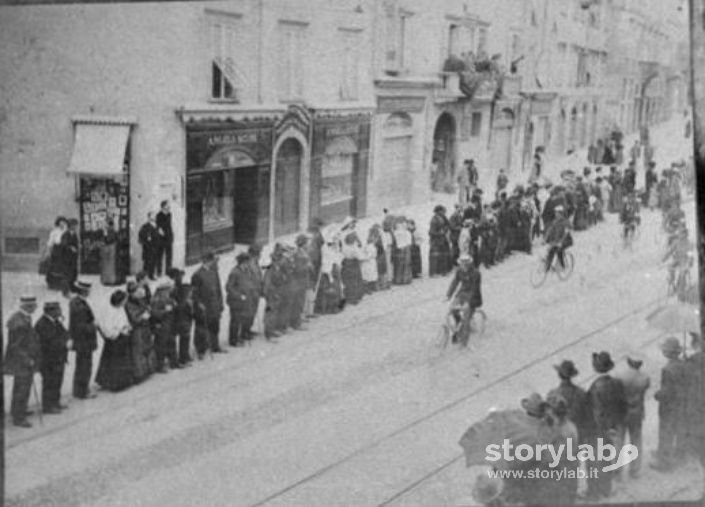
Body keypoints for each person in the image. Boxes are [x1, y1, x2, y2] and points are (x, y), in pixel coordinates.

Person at [585, 351, 627, 500]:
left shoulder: (595, 387)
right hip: (615, 425)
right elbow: (623, 405)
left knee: (596, 461)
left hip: (600, 428)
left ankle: (595, 492)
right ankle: (606, 489)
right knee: (607, 458)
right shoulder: (617, 383)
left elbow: (595, 411)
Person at [4, 296, 41, 427]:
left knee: (23, 387)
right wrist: (27, 359)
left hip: (24, 360)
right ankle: (19, 417)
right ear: (28, 306)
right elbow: (16, 346)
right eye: (34, 305)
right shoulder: (19, 322)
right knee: (22, 388)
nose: (36, 307)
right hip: (21, 361)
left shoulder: (23, 317)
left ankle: (20, 410)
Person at [651, 337, 688, 471]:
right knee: (680, 430)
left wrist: (657, 395)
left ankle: (664, 462)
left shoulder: (668, 369)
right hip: (682, 403)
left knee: (666, 433)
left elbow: (666, 391)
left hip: (669, 406)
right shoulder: (684, 365)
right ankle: (680, 456)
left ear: (667, 353)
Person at [614, 357, 650, 478]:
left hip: (622, 412)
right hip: (637, 411)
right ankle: (635, 470)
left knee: (619, 440)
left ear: (628, 362)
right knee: (636, 440)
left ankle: (617, 469)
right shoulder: (645, 378)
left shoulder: (620, 376)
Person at [35, 301, 70, 414]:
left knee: (57, 381)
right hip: (48, 360)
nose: (60, 311)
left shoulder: (55, 321)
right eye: (58, 309)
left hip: (58, 358)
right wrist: (64, 343)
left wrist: (67, 339)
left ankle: (55, 402)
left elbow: (65, 333)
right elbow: (49, 342)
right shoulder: (42, 324)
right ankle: (48, 406)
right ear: (51, 311)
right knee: (49, 383)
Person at [95, 290, 134, 391]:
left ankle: (123, 381)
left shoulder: (121, 309)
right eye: (124, 300)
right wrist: (120, 331)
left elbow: (125, 321)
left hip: (122, 337)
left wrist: (127, 327)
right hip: (115, 339)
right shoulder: (110, 311)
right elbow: (108, 328)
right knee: (114, 362)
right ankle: (114, 383)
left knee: (121, 360)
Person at [547, 360, 592, 444]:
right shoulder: (581, 393)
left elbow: (549, 422)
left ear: (559, 375)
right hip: (579, 436)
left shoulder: (553, 396)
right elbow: (588, 417)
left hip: (561, 439)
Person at [191, 250, 226, 355]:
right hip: (204, 305)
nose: (211, 263)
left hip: (214, 304)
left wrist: (220, 302)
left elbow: (218, 288)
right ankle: (200, 349)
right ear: (204, 261)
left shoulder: (214, 272)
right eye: (209, 260)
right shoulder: (197, 275)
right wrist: (198, 303)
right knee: (201, 328)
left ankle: (215, 345)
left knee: (215, 326)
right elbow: (194, 293)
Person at [69, 281, 98, 399]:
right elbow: (81, 326)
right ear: (85, 291)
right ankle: (82, 391)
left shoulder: (76, 302)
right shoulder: (79, 306)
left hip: (81, 341)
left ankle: (80, 389)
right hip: (84, 341)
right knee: (84, 366)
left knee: (82, 365)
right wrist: (93, 326)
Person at [445, 254, 482, 347]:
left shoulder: (476, 273)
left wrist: (468, 303)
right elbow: (455, 282)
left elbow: (474, 289)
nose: (464, 266)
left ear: (470, 264)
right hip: (462, 294)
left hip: (473, 297)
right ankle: (458, 325)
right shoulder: (459, 271)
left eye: (466, 264)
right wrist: (448, 295)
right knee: (452, 310)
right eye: (462, 264)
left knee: (466, 318)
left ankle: (464, 343)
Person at [683, 332, 705, 467]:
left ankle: (697, 454)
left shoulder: (692, 361)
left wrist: (686, 361)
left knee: (695, 426)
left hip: (696, 398)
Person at [125, 280, 154, 380]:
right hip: (137, 330)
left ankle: (147, 369)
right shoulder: (129, 304)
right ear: (132, 293)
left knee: (147, 347)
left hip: (145, 328)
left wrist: (148, 310)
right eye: (136, 291)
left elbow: (146, 306)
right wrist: (143, 316)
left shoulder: (139, 299)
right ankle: (139, 374)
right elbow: (134, 318)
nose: (139, 293)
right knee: (138, 351)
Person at [227, 252, 256, 347]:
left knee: (243, 318)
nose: (248, 264)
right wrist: (239, 296)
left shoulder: (246, 271)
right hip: (236, 301)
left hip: (245, 300)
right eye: (247, 262)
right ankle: (233, 340)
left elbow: (248, 282)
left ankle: (241, 336)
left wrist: (252, 290)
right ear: (242, 262)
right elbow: (229, 287)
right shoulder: (234, 272)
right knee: (235, 320)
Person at [151, 279, 178, 371]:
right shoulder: (156, 300)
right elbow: (154, 313)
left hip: (169, 325)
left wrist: (174, 305)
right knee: (161, 347)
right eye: (167, 290)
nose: (168, 292)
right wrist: (165, 311)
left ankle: (174, 362)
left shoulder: (169, 299)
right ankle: (160, 365)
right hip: (161, 326)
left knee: (172, 343)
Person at [168, 268, 194, 366]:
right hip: (178, 315)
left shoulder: (181, 287)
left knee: (185, 335)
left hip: (183, 314)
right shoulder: (172, 288)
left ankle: (184, 356)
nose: (181, 278)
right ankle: (181, 358)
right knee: (181, 336)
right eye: (179, 276)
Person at [290, 235, 313, 329]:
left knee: (301, 301)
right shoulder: (298, 254)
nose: (308, 244)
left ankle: (299, 317)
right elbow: (298, 269)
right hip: (298, 282)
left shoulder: (303, 252)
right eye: (307, 242)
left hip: (302, 281)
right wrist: (307, 266)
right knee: (298, 302)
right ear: (303, 243)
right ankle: (296, 323)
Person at [543, 205, 572, 272]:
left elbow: (566, 233)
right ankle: (547, 267)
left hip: (566, 240)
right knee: (551, 251)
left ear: (561, 213)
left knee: (559, 251)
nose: (556, 214)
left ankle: (563, 266)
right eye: (555, 213)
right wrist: (545, 239)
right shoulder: (555, 221)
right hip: (558, 240)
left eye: (557, 213)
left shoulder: (565, 221)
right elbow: (550, 230)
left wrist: (560, 242)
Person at [46, 216, 68, 291]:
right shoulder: (54, 232)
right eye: (61, 223)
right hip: (56, 251)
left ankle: (63, 284)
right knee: (55, 268)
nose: (62, 224)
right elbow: (50, 243)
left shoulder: (66, 231)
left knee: (64, 268)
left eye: (64, 223)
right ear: (58, 223)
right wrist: (48, 251)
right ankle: (53, 284)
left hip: (65, 252)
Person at [428, 205, 451, 276]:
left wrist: (444, 230)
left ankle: (442, 271)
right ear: (438, 212)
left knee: (443, 256)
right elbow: (431, 232)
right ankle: (433, 273)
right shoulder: (434, 220)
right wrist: (439, 233)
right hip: (436, 241)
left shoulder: (442, 217)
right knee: (434, 257)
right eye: (442, 211)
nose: (444, 213)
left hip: (442, 240)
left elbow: (448, 224)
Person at [60, 218, 80, 294]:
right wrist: (70, 248)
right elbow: (63, 245)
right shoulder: (66, 234)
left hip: (73, 258)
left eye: (76, 226)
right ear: (70, 226)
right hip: (67, 258)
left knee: (73, 273)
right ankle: (65, 290)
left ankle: (72, 287)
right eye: (74, 225)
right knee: (67, 274)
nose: (76, 227)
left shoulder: (74, 234)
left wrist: (76, 249)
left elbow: (76, 244)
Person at [138, 212, 159, 280]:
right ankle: (144, 276)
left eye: (154, 216)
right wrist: (146, 240)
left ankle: (151, 275)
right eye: (152, 216)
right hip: (148, 248)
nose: (154, 217)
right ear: (149, 217)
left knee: (154, 262)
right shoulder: (145, 226)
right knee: (147, 263)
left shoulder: (156, 226)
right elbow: (140, 236)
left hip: (155, 247)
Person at [156, 200, 173, 277]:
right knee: (160, 256)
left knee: (169, 255)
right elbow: (158, 227)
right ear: (163, 207)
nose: (169, 207)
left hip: (169, 238)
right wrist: (161, 232)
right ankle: (159, 272)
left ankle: (168, 271)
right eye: (167, 206)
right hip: (161, 239)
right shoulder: (159, 215)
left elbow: (169, 226)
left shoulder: (169, 214)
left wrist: (171, 236)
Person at [361, 227, 380, 293]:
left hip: (372, 261)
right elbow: (368, 254)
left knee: (372, 273)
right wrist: (367, 257)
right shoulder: (368, 246)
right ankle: (367, 288)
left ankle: (372, 286)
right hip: (368, 261)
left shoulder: (372, 246)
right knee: (368, 275)